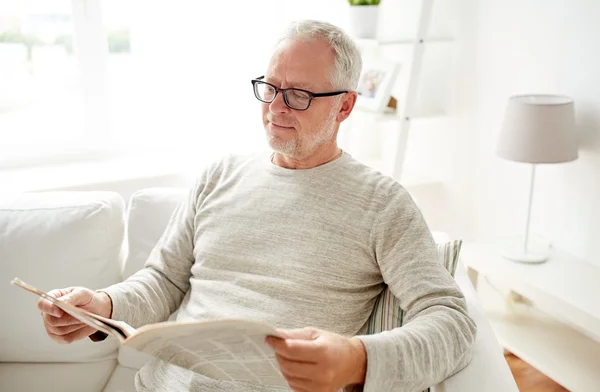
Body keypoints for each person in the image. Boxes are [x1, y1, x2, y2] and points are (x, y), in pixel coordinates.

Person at [38, 20, 477, 392]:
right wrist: (101, 305)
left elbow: (451, 322)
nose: (276, 108)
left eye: (299, 95)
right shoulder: (218, 175)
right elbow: (162, 280)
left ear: (344, 106)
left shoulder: (382, 204)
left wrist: (359, 359)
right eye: (270, 88)